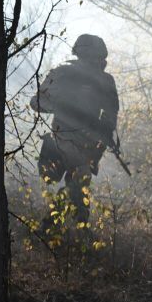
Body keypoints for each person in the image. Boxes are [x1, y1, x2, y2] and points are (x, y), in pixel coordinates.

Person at [31, 34, 119, 229]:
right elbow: (37, 103)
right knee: (79, 181)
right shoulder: (63, 74)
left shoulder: (103, 80)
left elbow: (111, 115)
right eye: (94, 57)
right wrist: (64, 105)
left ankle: (61, 230)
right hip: (65, 138)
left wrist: (103, 137)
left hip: (89, 142)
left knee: (79, 184)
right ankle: (57, 228)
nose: (96, 62)